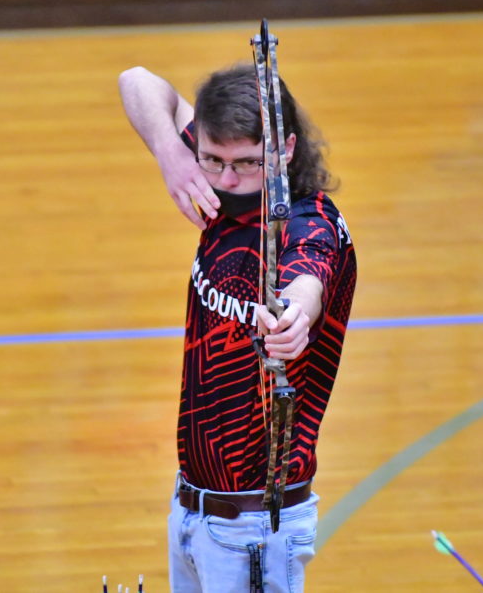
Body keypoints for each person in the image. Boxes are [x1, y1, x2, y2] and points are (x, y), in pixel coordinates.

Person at [119, 61, 356, 593]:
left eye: (247, 163)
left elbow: (308, 279)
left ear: (286, 149)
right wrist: (171, 154)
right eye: (213, 160)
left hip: (254, 531)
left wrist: (294, 316)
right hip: (192, 507)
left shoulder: (310, 224)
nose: (226, 180)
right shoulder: (221, 182)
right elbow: (136, 80)